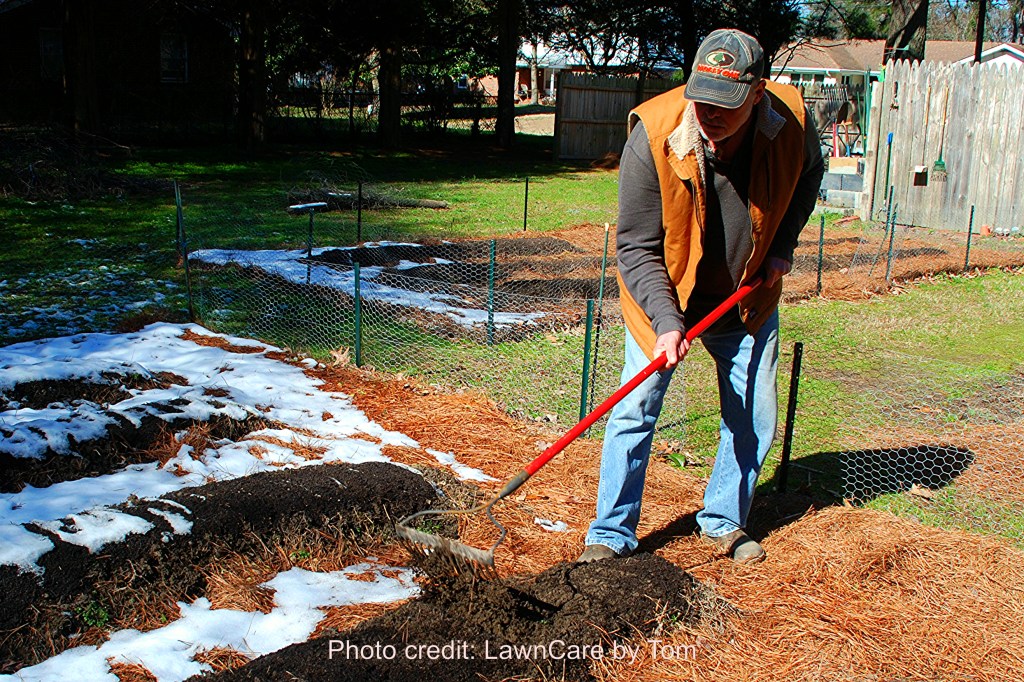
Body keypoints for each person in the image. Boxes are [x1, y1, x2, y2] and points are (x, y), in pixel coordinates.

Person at [580, 29, 823, 565]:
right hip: (664, 295)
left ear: (758, 93)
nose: (710, 111)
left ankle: (722, 520)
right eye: (702, 95)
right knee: (635, 408)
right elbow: (636, 247)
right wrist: (667, 321)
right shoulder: (654, 133)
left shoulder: (793, 126)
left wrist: (783, 244)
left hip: (745, 298)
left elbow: (809, 177)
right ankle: (610, 534)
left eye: (726, 102)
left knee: (753, 412)